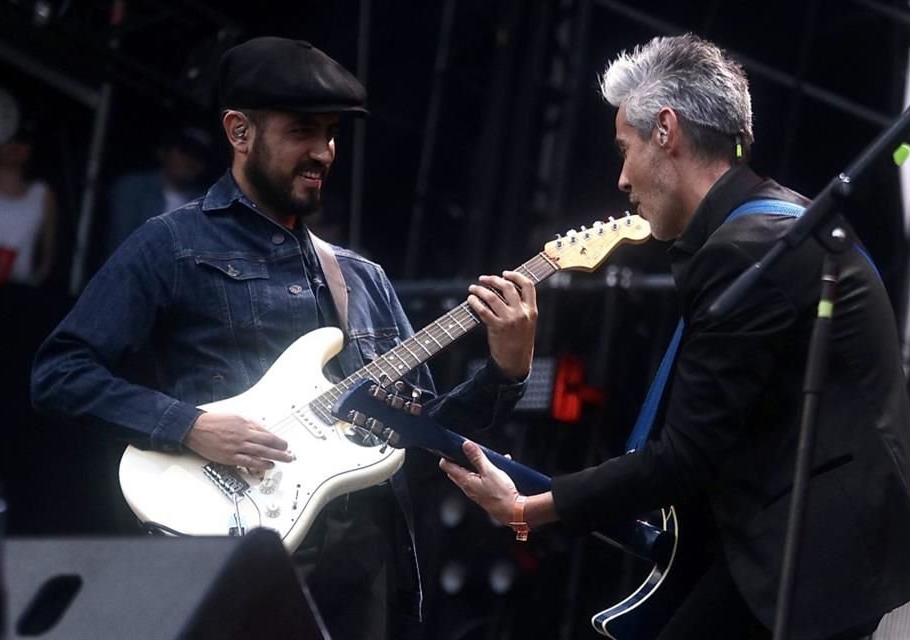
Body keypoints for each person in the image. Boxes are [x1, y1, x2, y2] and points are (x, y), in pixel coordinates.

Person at [440, 34, 910, 640]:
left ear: (667, 131)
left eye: (625, 149)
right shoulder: (768, 225)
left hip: (807, 557)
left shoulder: (747, 250)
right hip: (812, 541)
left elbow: (685, 456)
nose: (622, 178)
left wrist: (529, 509)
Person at [30, 36, 537, 640]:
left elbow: (427, 441)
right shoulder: (171, 245)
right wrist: (187, 426)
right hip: (238, 544)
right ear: (239, 132)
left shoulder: (362, 277)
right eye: (302, 131)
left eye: (330, 134)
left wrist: (506, 370)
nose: (323, 151)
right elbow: (59, 373)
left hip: (363, 563)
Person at [102, 124, 212, 260]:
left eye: (199, 155)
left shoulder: (205, 207)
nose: (190, 160)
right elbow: (120, 247)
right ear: (162, 152)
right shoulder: (133, 187)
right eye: (185, 151)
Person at [0, 87, 57, 287]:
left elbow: (49, 253)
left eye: (23, 140)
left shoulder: (42, 193)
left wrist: (36, 280)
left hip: (19, 294)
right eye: (11, 139)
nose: (16, 146)